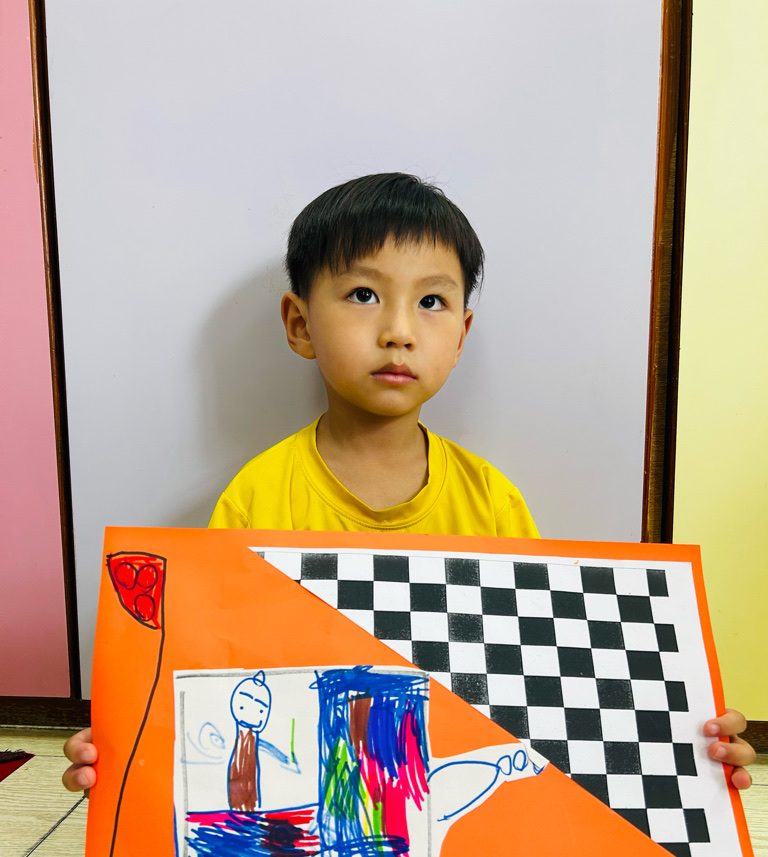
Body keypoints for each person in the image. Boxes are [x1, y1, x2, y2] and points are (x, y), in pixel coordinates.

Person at [62, 172, 755, 791]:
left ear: (461, 335)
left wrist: (682, 740)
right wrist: (132, 752)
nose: (398, 330)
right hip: (309, 783)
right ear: (300, 324)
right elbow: (216, 676)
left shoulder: (491, 501)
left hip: (453, 780)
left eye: (431, 302)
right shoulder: (255, 498)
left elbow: (545, 681)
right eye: (363, 294)